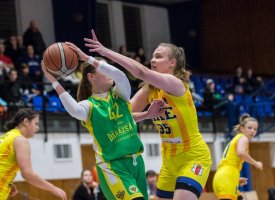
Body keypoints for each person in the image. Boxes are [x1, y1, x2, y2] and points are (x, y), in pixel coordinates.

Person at [85, 30, 212, 200]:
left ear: (172, 63)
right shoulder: (149, 90)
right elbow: (125, 115)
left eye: (159, 57)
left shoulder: (176, 84)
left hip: (193, 156)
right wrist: (146, 114)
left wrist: (104, 52)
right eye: (152, 56)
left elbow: (141, 73)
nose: (153, 60)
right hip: (169, 160)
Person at [42, 42, 166, 200]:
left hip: (136, 162)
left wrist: (88, 58)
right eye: (103, 69)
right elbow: (73, 110)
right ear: (91, 76)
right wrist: (54, 81)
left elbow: (120, 76)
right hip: (112, 166)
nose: (109, 73)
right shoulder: (89, 106)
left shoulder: (120, 95)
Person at [0, 108, 67, 200]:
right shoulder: (20, 140)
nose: (38, 128)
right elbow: (27, 174)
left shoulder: (6, 136)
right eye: (36, 124)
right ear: (26, 121)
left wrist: (9, 183)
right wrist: (53, 188)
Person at [212, 114, 263, 200]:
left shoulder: (236, 139)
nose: (252, 131)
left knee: (240, 198)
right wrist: (256, 163)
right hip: (227, 176)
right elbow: (241, 152)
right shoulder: (243, 138)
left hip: (222, 176)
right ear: (242, 129)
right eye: (249, 128)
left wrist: (236, 179)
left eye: (255, 129)